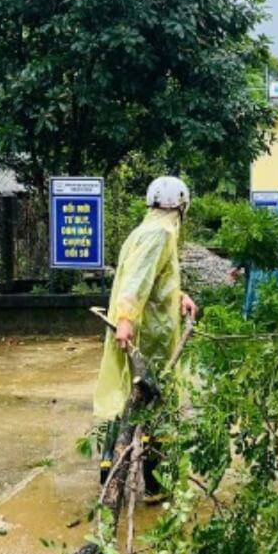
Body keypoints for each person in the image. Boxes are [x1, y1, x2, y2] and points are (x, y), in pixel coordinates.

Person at [93, 176, 199, 421]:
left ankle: (147, 443)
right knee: (152, 392)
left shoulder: (145, 230)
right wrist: (126, 318)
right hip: (151, 331)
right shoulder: (160, 233)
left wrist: (180, 296)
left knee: (148, 393)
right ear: (182, 206)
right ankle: (147, 450)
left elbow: (156, 279)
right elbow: (137, 279)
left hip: (151, 325)